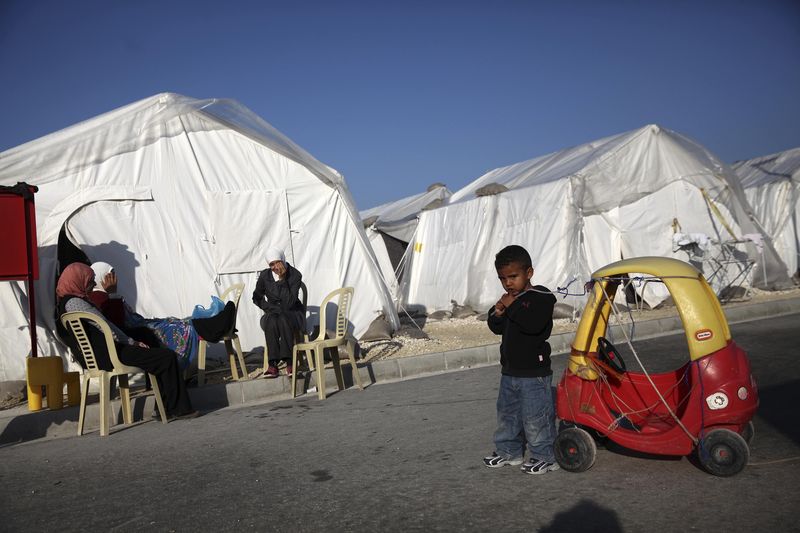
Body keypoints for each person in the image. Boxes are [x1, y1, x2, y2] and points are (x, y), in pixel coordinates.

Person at [56, 262, 198, 420]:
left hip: (103, 353)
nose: (93, 284)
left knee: (152, 345)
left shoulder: (65, 303)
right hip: (110, 353)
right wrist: (132, 342)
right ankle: (177, 409)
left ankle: (165, 408)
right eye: (90, 280)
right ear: (77, 280)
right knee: (166, 357)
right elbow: (106, 326)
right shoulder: (75, 302)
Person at [483, 245, 559, 474]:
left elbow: (533, 324)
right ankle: (508, 452)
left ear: (529, 273)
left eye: (513, 276)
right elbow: (497, 328)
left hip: (534, 373)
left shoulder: (540, 297)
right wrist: (497, 313)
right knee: (508, 415)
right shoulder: (510, 301)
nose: (508, 283)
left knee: (536, 417)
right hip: (510, 372)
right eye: (503, 278)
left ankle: (544, 456)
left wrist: (512, 305)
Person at [88, 262, 199, 371]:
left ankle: (202, 318)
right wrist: (113, 295)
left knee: (173, 322)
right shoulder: (99, 298)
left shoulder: (103, 295)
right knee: (177, 327)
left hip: (135, 326)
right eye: (110, 276)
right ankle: (173, 367)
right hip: (130, 334)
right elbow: (117, 323)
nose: (114, 279)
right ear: (101, 277)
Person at [252, 248, 305, 378]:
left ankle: (289, 362)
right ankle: (273, 364)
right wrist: (269, 308)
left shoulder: (295, 275)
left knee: (283, 318)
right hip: (272, 312)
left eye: (277, 263)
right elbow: (256, 297)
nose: (275, 267)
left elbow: (290, 302)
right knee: (272, 320)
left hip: (292, 312)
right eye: (271, 264)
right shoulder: (265, 276)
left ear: (283, 260)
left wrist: (282, 279)